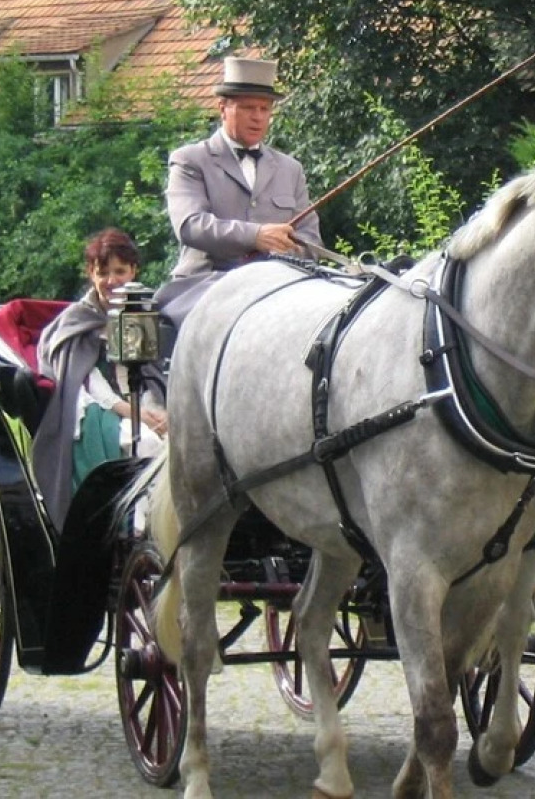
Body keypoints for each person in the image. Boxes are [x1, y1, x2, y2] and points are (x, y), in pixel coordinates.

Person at [154, 56, 322, 330]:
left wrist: (283, 253)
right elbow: (191, 226)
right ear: (223, 108)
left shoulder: (290, 169)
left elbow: (311, 243)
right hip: (205, 288)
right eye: (247, 108)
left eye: (264, 109)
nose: (257, 117)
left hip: (277, 289)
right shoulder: (190, 161)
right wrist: (256, 237)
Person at [34, 228, 167, 529]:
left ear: (134, 271)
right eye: (103, 272)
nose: (111, 280)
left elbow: (151, 374)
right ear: (90, 273)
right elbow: (90, 382)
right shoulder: (78, 321)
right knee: (146, 445)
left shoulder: (143, 313)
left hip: (139, 401)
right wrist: (139, 416)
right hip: (98, 407)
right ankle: (138, 529)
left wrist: (159, 410)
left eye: (120, 271)